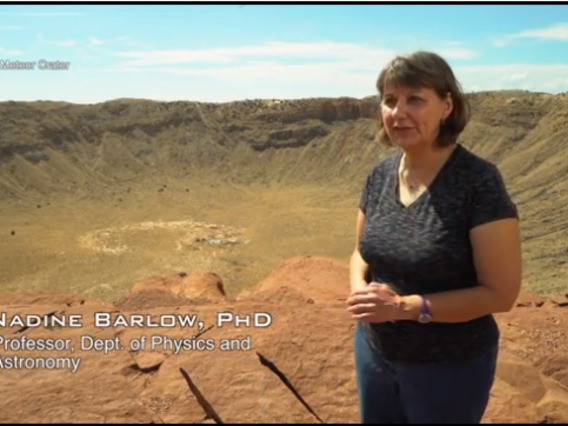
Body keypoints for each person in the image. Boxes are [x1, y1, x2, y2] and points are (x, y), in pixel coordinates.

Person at [346, 51, 522, 424]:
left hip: (448, 367)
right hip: (374, 352)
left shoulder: (477, 183)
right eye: (390, 100)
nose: (399, 112)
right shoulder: (380, 175)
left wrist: (404, 308)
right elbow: (362, 253)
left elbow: (500, 294)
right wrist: (361, 294)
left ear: (446, 105)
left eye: (415, 99)